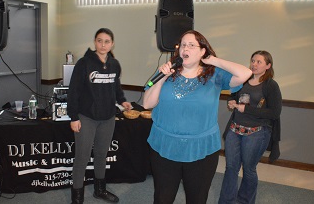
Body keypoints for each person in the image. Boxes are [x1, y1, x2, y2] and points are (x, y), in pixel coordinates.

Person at [143, 30, 252, 204]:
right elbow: (147, 104)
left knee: (197, 198)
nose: (185, 48)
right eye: (183, 45)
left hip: (202, 150)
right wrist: (163, 76)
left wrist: (213, 60)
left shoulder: (215, 75)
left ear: (203, 51)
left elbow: (245, 73)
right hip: (165, 146)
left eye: (191, 45)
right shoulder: (166, 73)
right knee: (162, 197)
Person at [67, 28, 132, 204]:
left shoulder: (114, 64)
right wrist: (73, 117)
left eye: (107, 41)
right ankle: (77, 198)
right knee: (82, 157)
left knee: (101, 155)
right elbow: (73, 91)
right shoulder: (84, 63)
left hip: (108, 118)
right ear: (95, 42)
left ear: (112, 44)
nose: (103, 45)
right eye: (99, 40)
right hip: (86, 118)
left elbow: (116, 88)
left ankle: (99, 190)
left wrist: (122, 101)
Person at [218, 50, 282, 204]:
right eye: (253, 61)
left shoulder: (271, 86)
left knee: (249, 169)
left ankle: (245, 201)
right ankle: (226, 201)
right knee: (231, 168)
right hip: (235, 129)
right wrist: (232, 103)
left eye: (259, 62)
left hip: (256, 133)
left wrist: (245, 109)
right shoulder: (243, 80)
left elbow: (274, 112)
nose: (254, 64)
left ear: (268, 65)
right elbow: (234, 96)